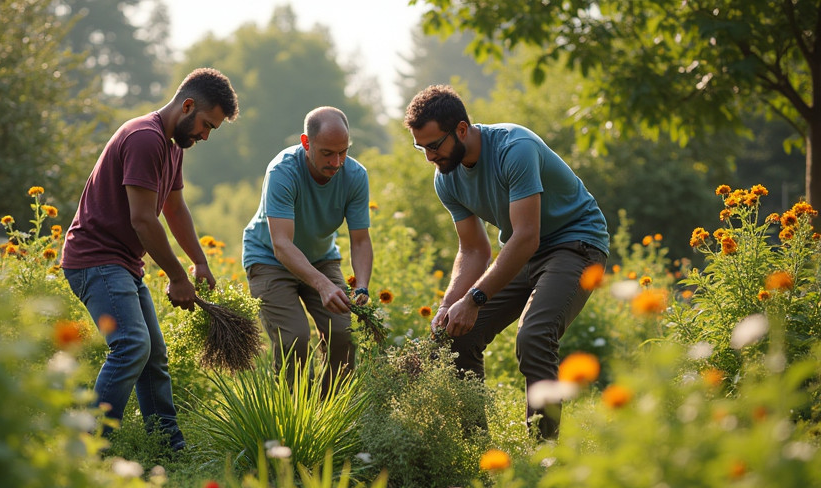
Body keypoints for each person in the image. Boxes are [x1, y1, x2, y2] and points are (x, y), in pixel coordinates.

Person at [403, 85, 609, 440]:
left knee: (534, 336)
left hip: (576, 243)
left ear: (462, 130)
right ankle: (479, 450)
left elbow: (527, 236)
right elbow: (473, 251)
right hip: (522, 252)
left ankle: (543, 455)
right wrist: (449, 305)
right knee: (456, 335)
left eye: (434, 145)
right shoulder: (446, 179)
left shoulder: (516, 148)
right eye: (421, 147)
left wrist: (475, 299)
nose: (429, 157)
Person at [60, 68, 239, 452]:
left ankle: (167, 445)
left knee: (154, 355)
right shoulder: (145, 138)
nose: (205, 136)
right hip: (95, 259)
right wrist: (177, 277)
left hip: (121, 263)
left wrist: (200, 262)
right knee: (131, 345)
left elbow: (174, 208)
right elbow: (142, 218)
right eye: (206, 125)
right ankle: (86, 449)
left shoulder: (173, 145)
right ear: (187, 106)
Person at [242, 106, 373, 393]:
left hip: (321, 258)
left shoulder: (355, 176)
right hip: (269, 259)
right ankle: (294, 415)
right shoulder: (283, 172)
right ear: (306, 143)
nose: (336, 162)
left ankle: (330, 414)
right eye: (327, 153)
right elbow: (282, 245)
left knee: (343, 334)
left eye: (343, 152)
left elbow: (361, 240)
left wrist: (361, 286)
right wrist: (323, 286)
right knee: (294, 340)